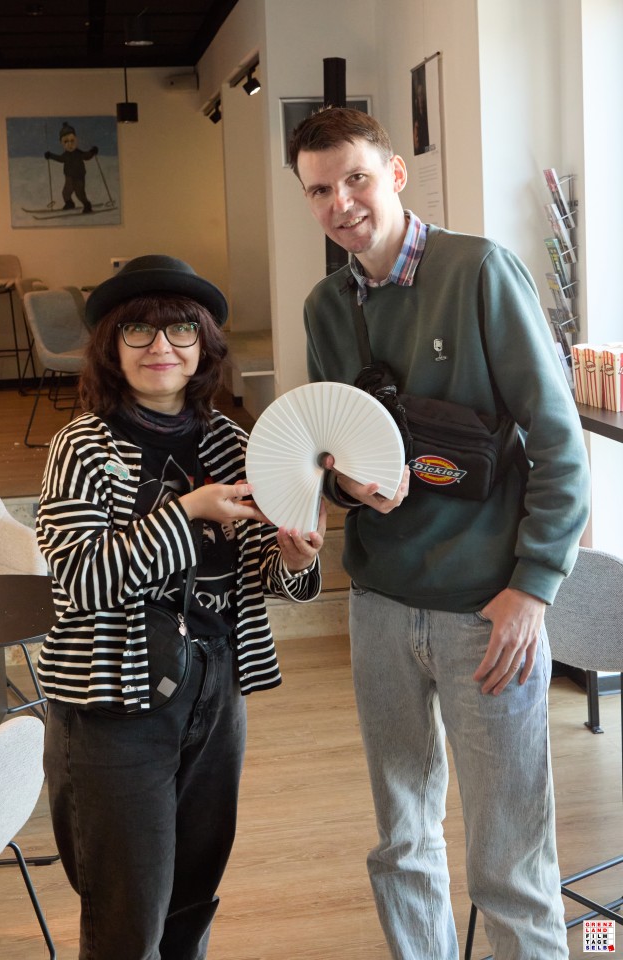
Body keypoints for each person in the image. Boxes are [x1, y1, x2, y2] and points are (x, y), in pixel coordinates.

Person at [288, 108, 590, 960]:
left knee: (510, 861)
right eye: (319, 190)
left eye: (355, 178)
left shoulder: (480, 271)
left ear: (394, 174)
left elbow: (560, 442)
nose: (341, 203)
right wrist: (342, 487)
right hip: (380, 604)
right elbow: (327, 449)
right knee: (401, 843)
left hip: (487, 611)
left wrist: (532, 588)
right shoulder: (324, 308)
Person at [36, 255, 325, 960]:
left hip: (216, 689)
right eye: (138, 330)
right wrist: (189, 510)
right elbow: (80, 579)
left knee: (194, 897)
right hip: (114, 702)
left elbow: (251, 571)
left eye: (179, 331)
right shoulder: (83, 446)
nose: (160, 347)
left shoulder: (233, 442)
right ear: (111, 346)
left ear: (203, 345)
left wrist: (295, 561)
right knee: (128, 917)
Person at [44, 121, 98, 213]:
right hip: (69, 176)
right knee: (66, 192)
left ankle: (87, 205)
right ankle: (69, 203)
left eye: (72, 141)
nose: (69, 144)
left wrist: (92, 152)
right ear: (62, 143)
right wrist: (50, 155)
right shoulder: (66, 155)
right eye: (66, 142)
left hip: (78, 176)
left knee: (79, 193)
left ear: (76, 140)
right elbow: (60, 159)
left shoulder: (78, 153)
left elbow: (86, 156)